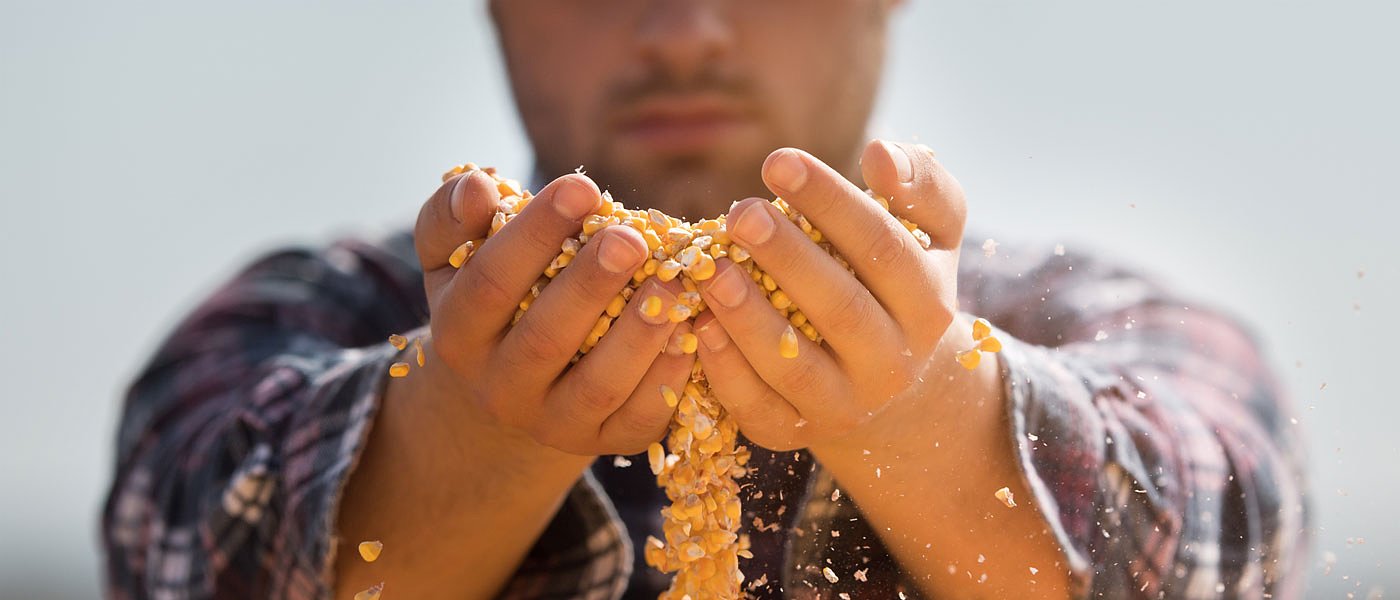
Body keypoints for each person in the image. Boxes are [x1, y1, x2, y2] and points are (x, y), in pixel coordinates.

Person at [102, 1, 1308, 598]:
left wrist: (930, 408)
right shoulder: (322, 311)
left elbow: (1229, 523)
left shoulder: (1077, 314)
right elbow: (182, 532)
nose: (681, 33)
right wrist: (468, 423)